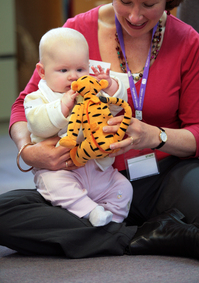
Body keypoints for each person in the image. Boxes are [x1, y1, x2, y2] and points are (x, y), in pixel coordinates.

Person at [0, 0, 199, 260]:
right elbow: (21, 105)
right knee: (4, 213)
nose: (136, 17)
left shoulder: (186, 41)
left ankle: (125, 232)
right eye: (125, 2)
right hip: (85, 177)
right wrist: (29, 150)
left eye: (149, 4)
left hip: (162, 175)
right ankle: (149, 235)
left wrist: (153, 135)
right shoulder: (76, 32)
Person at [23, 27, 133, 227]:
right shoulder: (37, 97)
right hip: (60, 170)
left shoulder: (89, 93)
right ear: (42, 71)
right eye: (64, 70)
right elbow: (36, 125)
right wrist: (61, 108)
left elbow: (117, 107)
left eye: (80, 69)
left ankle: (113, 222)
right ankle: (91, 211)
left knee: (124, 187)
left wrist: (110, 87)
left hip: (97, 168)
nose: (74, 77)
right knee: (54, 185)